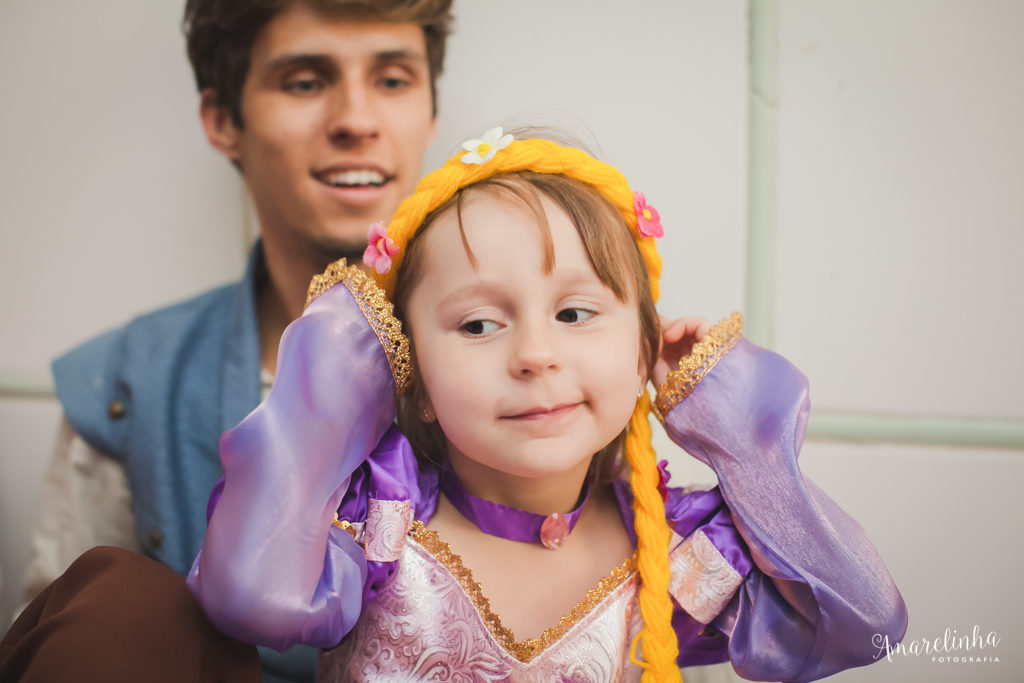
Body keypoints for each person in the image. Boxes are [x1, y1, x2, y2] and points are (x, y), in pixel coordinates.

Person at [186, 129, 909, 681]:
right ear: (412, 374)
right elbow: (252, 594)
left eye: (574, 313)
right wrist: (349, 359)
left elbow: (863, 620)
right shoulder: (379, 520)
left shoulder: (670, 559)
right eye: (477, 324)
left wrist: (731, 418)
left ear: (639, 353)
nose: (536, 353)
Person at [19, 0, 452, 680]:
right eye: (305, 81)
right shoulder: (130, 383)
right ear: (224, 120)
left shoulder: (539, 366)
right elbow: (59, 638)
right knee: (119, 599)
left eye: (393, 79)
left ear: (431, 112)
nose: (358, 121)